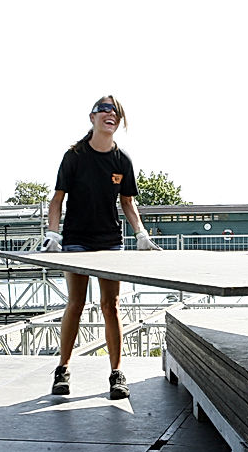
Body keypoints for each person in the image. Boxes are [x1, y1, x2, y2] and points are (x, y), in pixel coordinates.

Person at [43, 95, 161, 400]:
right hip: (76, 240)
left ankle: (116, 373)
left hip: (110, 242)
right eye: (105, 109)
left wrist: (141, 233)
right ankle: (62, 369)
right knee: (76, 303)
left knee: (111, 305)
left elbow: (128, 202)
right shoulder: (74, 156)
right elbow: (57, 199)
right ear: (92, 117)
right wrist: (53, 234)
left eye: (116, 112)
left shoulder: (122, 161)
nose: (112, 114)